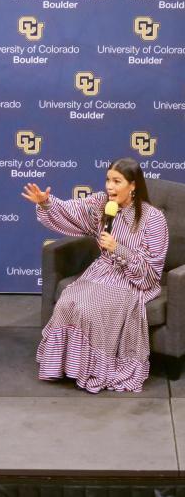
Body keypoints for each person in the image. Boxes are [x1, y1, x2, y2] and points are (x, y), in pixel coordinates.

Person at [22, 157, 168, 393]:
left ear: (133, 186)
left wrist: (117, 248)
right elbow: (73, 210)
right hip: (102, 271)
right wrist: (47, 202)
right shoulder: (102, 205)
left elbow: (151, 272)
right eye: (108, 180)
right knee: (68, 303)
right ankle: (65, 366)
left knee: (90, 310)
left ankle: (92, 370)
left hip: (131, 281)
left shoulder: (153, 219)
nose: (109, 187)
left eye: (117, 181)